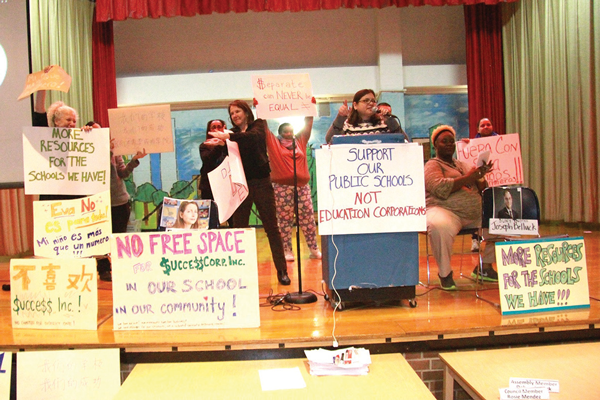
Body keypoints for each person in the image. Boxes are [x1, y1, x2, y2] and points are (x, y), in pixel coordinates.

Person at [209, 100, 290, 285]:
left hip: (261, 182)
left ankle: (282, 271)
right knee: (239, 229)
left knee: (272, 228)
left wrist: (227, 138)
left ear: (246, 112)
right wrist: (219, 144)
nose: (235, 115)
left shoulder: (258, 125)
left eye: (237, 111)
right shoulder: (232, 134)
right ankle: (240, 273)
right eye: (232, 113)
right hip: (240, 185)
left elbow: (253, 138)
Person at [424, 125, 497, 290]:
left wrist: (480, 177)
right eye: (444, 141)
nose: (449, 144)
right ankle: (445, 273)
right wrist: (469, 177)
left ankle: (484, 267)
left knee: (502, 223)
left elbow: (482, 190)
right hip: (446, 211)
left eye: (451, 141)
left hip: (474, 214)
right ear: (435, 145)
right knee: (438, 226)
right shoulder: (432, 165)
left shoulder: (463, 165)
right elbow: (440, 188)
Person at [91, 121, 148, 282]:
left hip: (119, 201)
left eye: (101, 131)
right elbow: (100, 169)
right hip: (98, 203)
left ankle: (118, 267)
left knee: (118, 238)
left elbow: (123, 174)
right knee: (100, 239)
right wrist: (106, 152)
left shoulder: (114, 152)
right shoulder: (86, 154)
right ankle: (103, 270)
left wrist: (134, 160)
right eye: (94, 132)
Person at [266, 117, 322, 262]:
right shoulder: (274, 144)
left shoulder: (300, 141)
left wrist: (310, 109)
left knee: (308, 218)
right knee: (284, 220)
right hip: (282, 187)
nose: (289, 134)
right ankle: (286, 249)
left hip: (302, 186)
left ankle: (313, 247)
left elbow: (308, 125)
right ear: (280, 133)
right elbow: (264, 130)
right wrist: (261, 110)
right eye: (285, 132)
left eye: (291, 131)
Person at [325, 89, 401, 143]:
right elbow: (329, 140)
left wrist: (390, 120)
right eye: (366, 100)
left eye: (373, 101)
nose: (371, 103)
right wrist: (340, 117)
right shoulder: (347, 125)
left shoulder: (384, 124)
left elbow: (403, 140)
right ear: (355, 105)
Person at [199, 119, 229, 201]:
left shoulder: (230, 145)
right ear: (209, 130)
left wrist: (224, 144)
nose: (216, 129)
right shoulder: (204, 145)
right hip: (209, 186)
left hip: (226, 185)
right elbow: (207, 160)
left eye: (219, 127)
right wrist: (218, 146)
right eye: (213, 127)